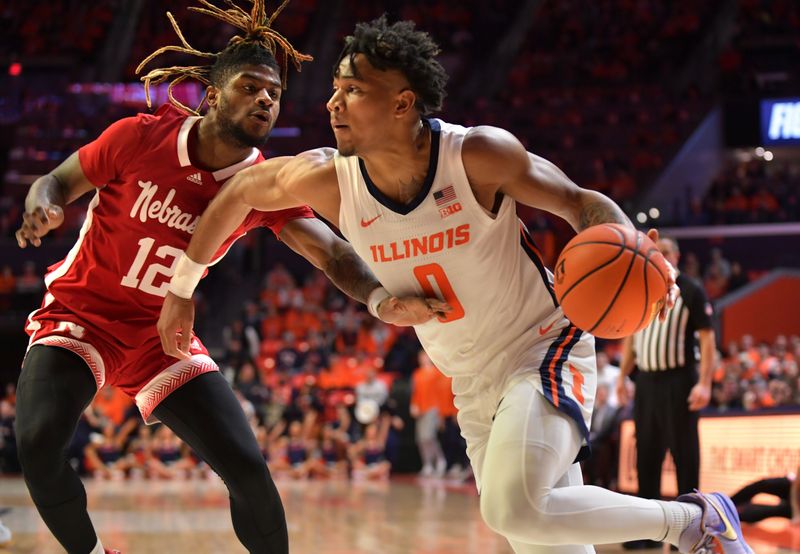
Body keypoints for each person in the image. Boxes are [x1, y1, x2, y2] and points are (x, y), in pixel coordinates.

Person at [161, 16, 754, 554]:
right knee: (530, 525)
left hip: (541, 346)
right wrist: (183, 287)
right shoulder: (324, 178)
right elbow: (236, 193)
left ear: (403, 104)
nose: (333, 103)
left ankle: (693, 520)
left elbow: (581, 204)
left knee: (513, 508)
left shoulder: (476, 155)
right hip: (468, 379)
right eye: (336, 89)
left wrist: (642, 255)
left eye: (353, 90)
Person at [12, 4, 438, 554]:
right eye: (251, 87)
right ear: (213, 95)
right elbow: (54, 182)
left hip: (159, 339)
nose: (266, 99)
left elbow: (332, 253)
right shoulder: (139, 137)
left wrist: (381, 299)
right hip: (81, 316)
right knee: (38, 443)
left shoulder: (265, 184)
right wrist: (41, 208)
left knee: (249, 473)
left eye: (275, 93)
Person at [618, 237, 716, 550]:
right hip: (646, 381)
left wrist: (704, 383)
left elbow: (708, 338)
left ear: (676, 257)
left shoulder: (690, 290)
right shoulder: (641, 288)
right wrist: (622, 376)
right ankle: (649, 531)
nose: (659, 258)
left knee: (684, 455)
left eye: (665, 254)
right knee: (647, 454)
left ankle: (686, 531)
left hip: (680, 380)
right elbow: (631, 339)